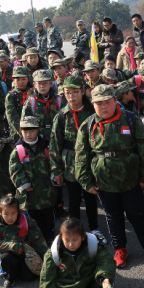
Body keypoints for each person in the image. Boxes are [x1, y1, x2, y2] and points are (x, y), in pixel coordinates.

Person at [74, 84, 144, 268]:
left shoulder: (131, 119)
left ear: (115, 100)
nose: (103, 106)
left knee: (139, 215)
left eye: (107, 102)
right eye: (99, 103)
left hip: (131, 180)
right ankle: (120, 249)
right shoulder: (88, 125)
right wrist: (86, 181)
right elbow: (81, 156)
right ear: (93, 104)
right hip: (104, 182)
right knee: (113, 217)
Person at [49, 76, 104, 241]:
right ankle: (74, 231)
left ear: (83, 92)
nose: (71, 96)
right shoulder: (61, 116)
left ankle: (94, 229)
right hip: (70, 164)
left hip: (90, 161)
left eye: (75, 92)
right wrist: (56, 170)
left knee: (90, 196)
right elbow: (55, 145)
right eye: (67, 92)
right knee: (73, 199)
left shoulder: (93, 113)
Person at [40, 218, 119, 288]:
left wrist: (105, 279)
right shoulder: (54, 253)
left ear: (83, 237)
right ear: (61, 237)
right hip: (69, 286)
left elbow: (106, 261)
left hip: (90, 278)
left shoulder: (93, 244)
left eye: (75, 239)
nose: (71, 244)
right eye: (67, 240)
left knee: (106, 281)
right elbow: (47, 280)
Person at [9, 116, 57, 243]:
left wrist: (55, 175)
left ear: (37, 130)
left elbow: (54, 163)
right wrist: (23, 184)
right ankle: (35, 237)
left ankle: (49, 235)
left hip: (46, 192)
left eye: (32, 131)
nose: (28, 134)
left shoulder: (46, 146)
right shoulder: (18, 150)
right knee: (32, 218)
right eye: (25, 131)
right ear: (21, 131)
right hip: (28, 195)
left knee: (48, 216)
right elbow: (14, 170)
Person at [0, 195, 48, 288]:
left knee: (29, 277)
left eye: (13, 213)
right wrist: (13, 246)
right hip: (8, 254)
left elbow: (38, 241)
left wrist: (46, 260)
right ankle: (9, 277)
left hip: (24, 254)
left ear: (18, 212)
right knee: (5, 258)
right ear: (0, 212)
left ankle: (19, 269)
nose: (10, 217)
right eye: (6, 214)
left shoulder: (27, 222)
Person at [22, 70, 61, 142]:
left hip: (57, 137)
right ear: (34, 84)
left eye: (45, 83)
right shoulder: (31, 101)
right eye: (39, 83)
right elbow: (25, 124)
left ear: (50, 83)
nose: (42, 86)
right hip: (38, 138)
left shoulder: (59, 99)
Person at [5, 67, 31, 142]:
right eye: (17, 79)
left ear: (28, 79)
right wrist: (22, 132)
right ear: (13, 80)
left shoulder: (33, 92)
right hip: (17, 133)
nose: (21, 82)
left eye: (23, 79)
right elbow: (12, 117)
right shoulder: (11, 95)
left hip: (34, 130)